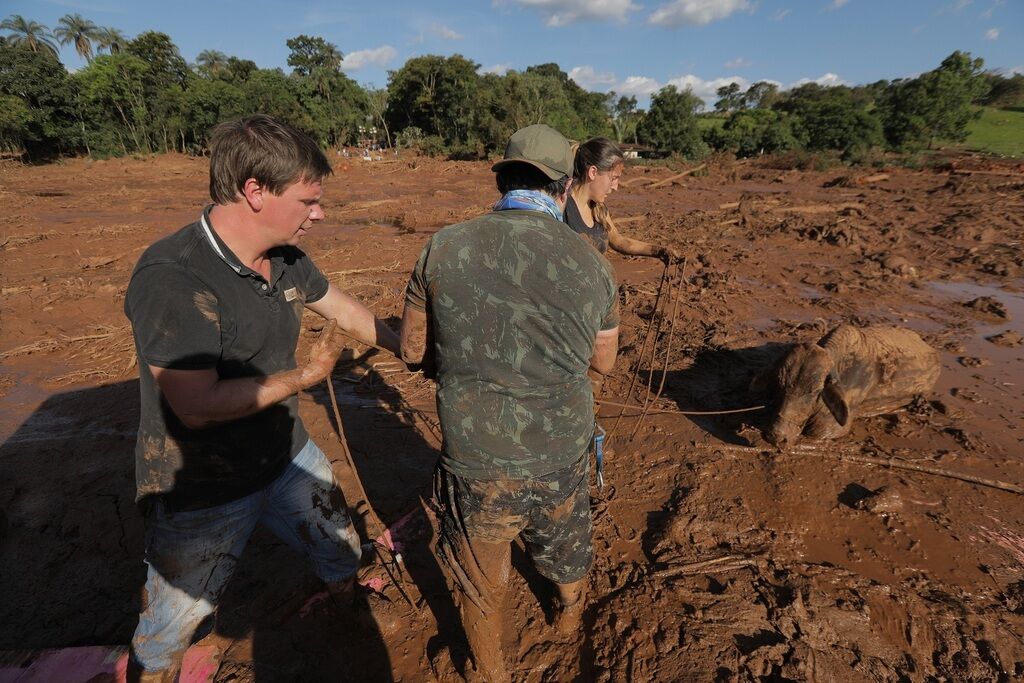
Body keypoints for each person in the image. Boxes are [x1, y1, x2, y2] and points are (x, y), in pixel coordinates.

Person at [123, 114, 401, 681]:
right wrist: (305, 376)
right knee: (172, 623)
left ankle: (349, 606)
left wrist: (410, 346)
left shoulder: (287, 257)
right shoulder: (174, 277)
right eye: (308, 201)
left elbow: (343, 309)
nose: (319, 214)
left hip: (286, 453)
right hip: (201, 485)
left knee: (339, 542)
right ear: (254, 192)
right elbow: (194, 406)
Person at [400, 124, 620, 682]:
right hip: (561, 449)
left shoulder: (443, 245)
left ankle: (488, 670)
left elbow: (409, 350)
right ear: (564, 187)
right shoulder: (592, 262)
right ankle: (568, 618)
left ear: (502, 179)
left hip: (477, 458)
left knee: (480, 574)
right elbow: (604, 364)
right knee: (566, 551)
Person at [566, 137, 681, 262]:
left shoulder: (598, 209)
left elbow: (619, 241)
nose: (615, 187)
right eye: (614, 178)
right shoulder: (562, 206)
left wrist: (660, 251)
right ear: (593, 172)